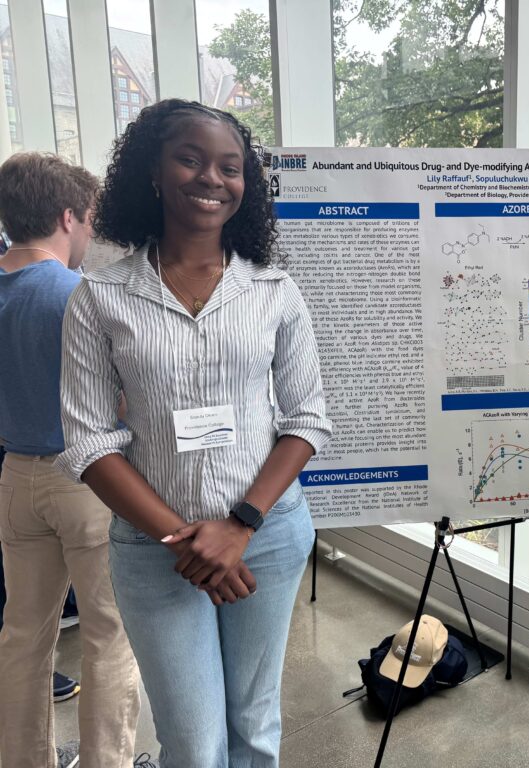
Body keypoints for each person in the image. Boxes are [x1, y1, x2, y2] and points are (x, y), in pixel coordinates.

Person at [56, 99, 331, 768]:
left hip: (265, 537)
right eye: (190, 159)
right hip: (156, 552)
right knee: (192, 742)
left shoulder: (274, 291)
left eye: (230, 168)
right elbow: (89, 442)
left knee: (254, 727)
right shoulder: (100, 296)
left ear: (246, 185)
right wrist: (184, 541)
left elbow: (305, 420)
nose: (212, 178)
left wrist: (238, 526)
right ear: (153, 172)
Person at [0, 152, 140, 768]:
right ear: (67, 216)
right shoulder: (78, 295)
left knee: (22, 635)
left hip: (14, 477)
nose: (88, 236)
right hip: (87, 480)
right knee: (110, 634)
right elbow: (126, 398)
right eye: (87, 222)